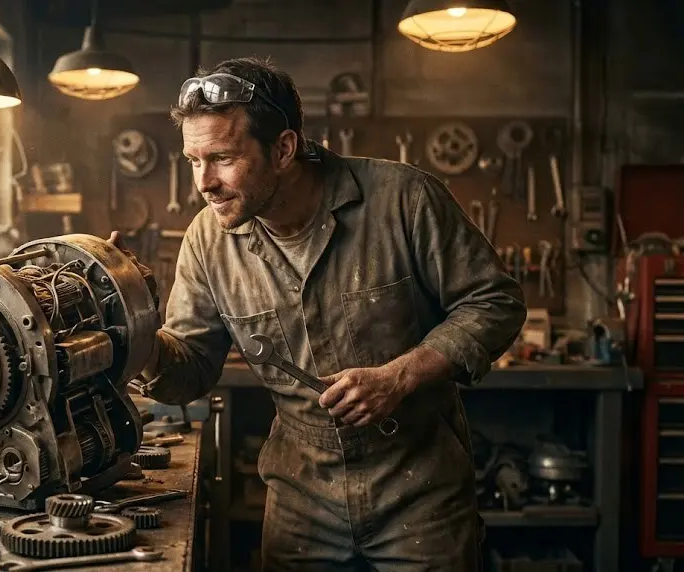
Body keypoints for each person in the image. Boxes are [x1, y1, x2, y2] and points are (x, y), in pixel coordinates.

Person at [123, 57, 526, 571]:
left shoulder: (403, 200)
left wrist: (398, 377)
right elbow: (191, 367)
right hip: (301, 500)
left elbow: (495, 302)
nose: (204, 182)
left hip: (420, 493)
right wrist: (134, 332)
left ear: (284, 148)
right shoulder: (208, 239)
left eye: (222, 158)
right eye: (193, 160)